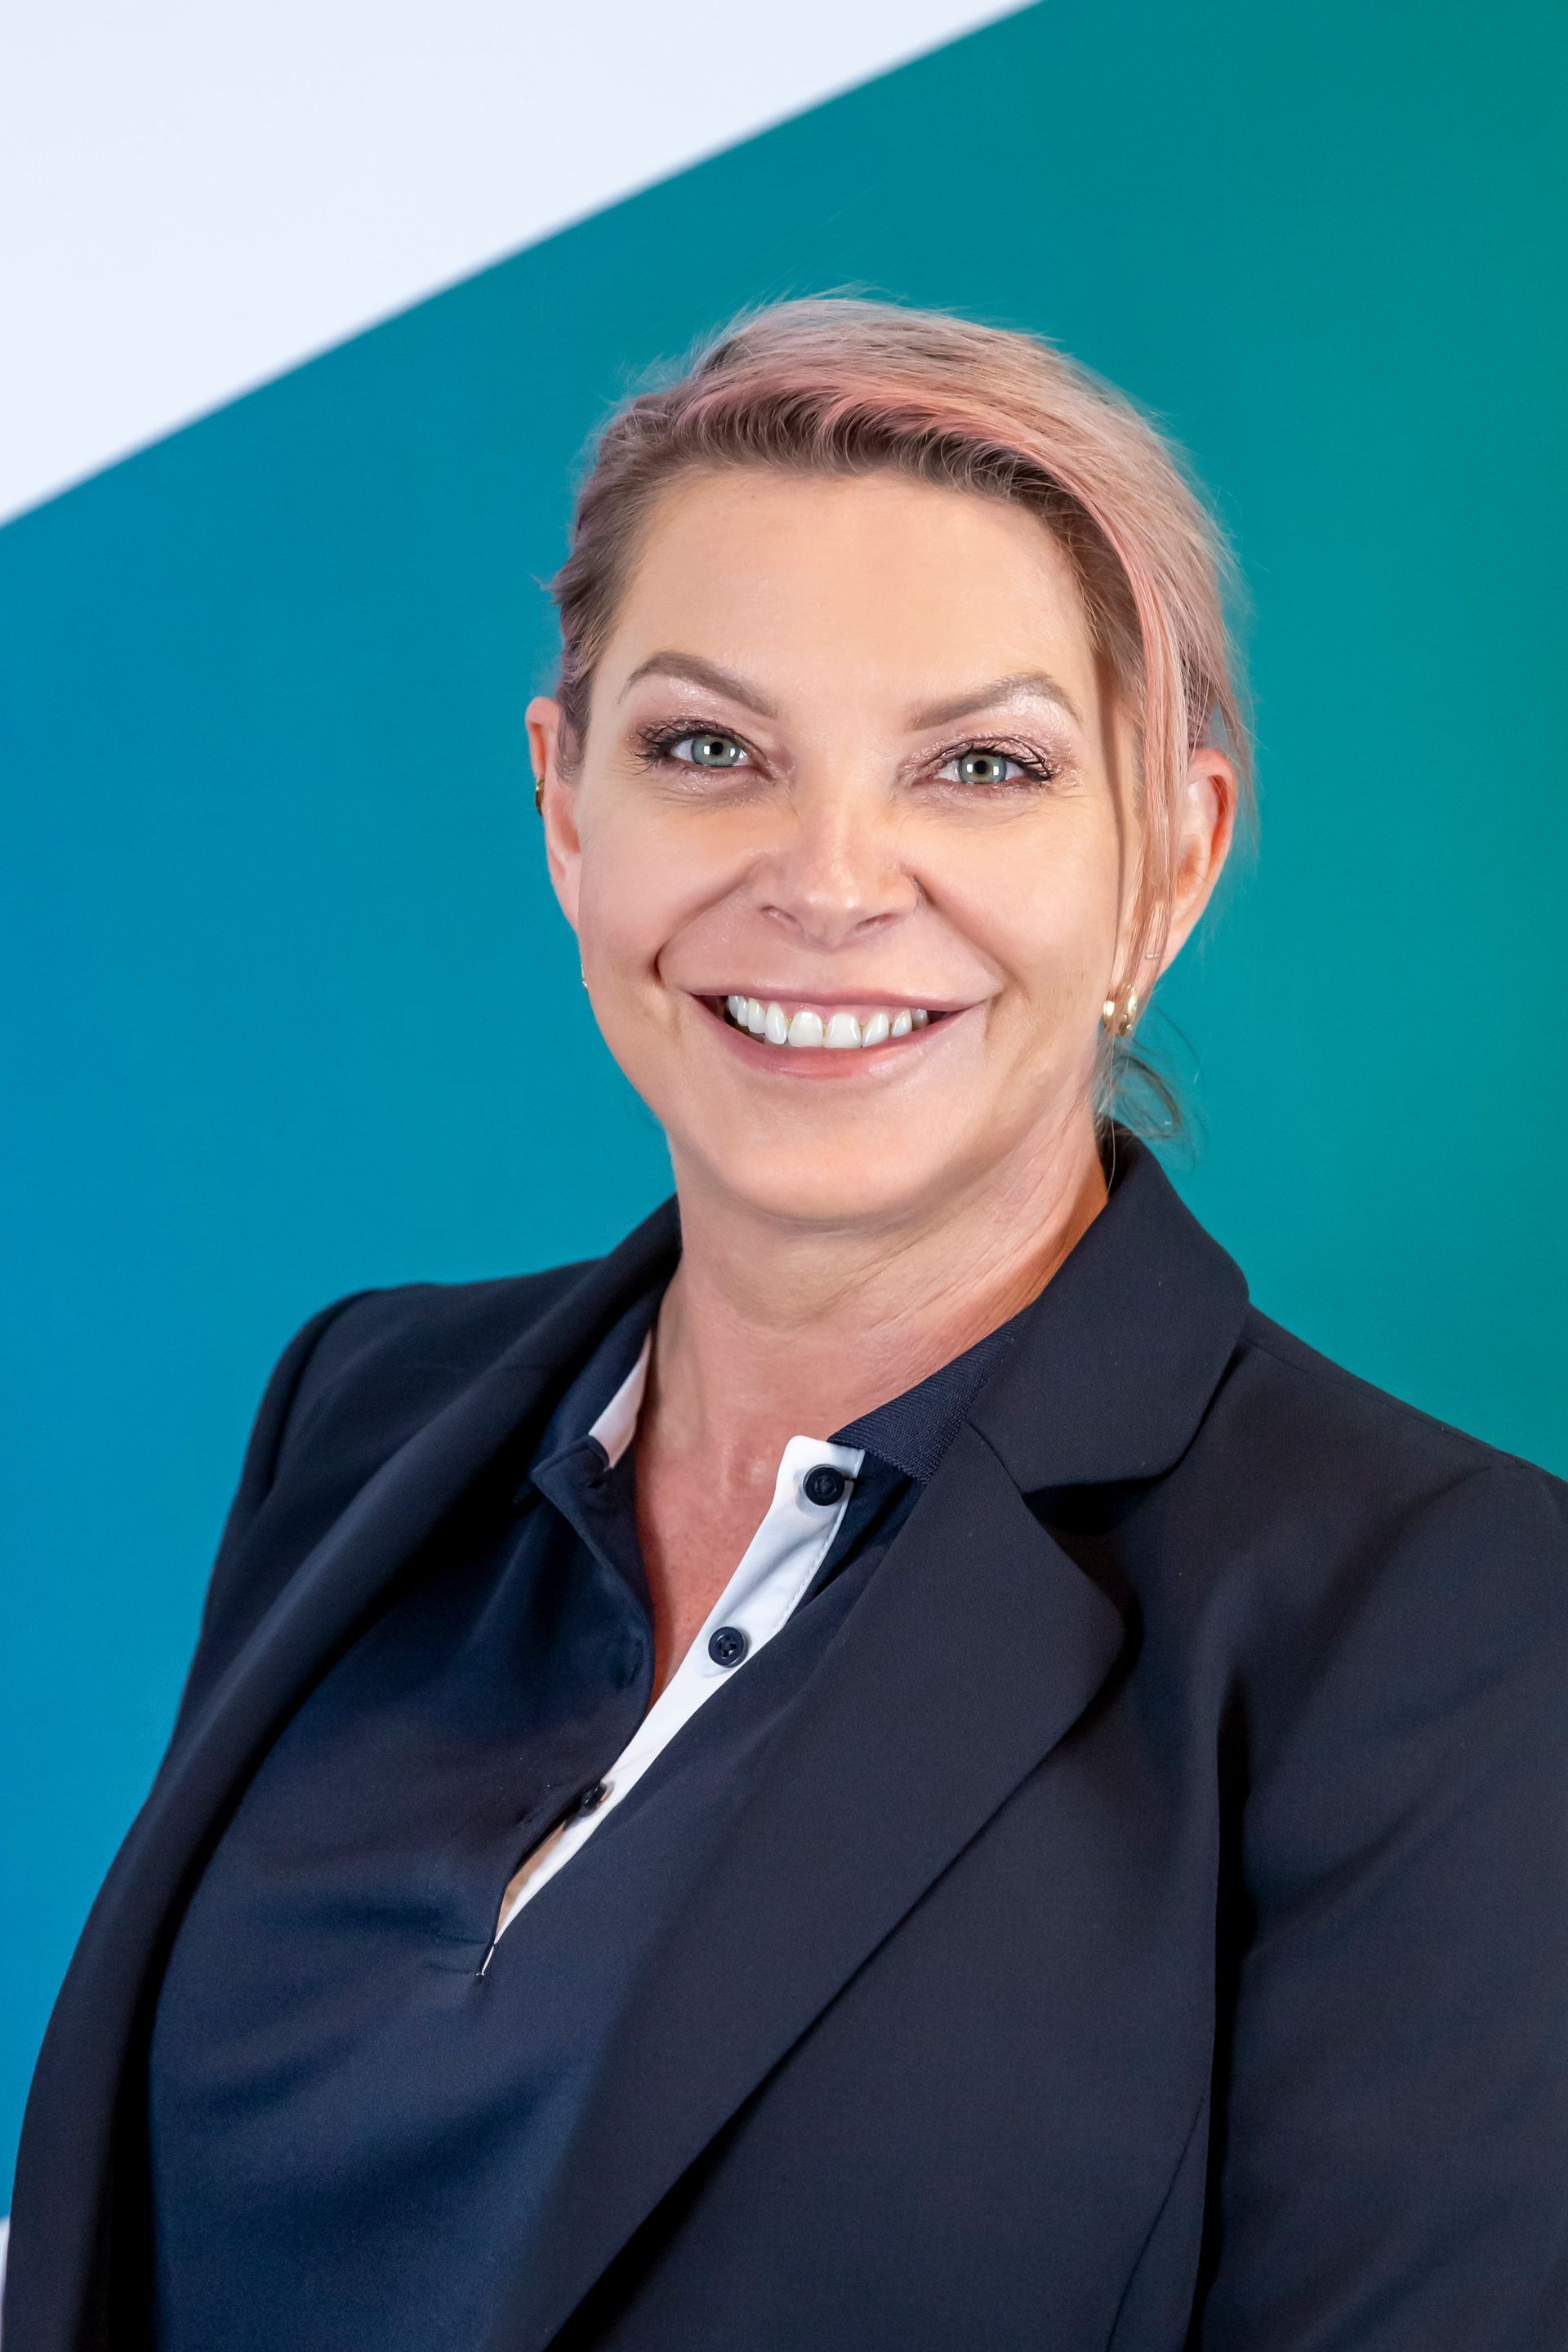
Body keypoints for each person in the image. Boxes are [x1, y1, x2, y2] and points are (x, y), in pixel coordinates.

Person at [7, 298, 1566, 2352]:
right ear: (568, 806)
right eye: (709, 751)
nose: (829, 884)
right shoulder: (365, 1412)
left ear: (1166, 866)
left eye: (982, 767)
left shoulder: (1452, 1622)